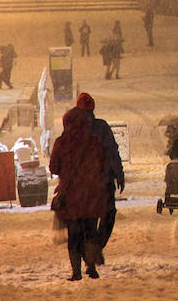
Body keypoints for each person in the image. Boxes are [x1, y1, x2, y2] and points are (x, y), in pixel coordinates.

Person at [49, 106, 107, 280]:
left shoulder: (61, 143)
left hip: (71, 196)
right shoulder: (95, 141)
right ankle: (91, 267)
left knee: (74, 235)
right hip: (92, 195)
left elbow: (53, 167)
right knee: (90, 231)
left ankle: (76, 272)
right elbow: (104, 164)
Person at [75, 92, 124, 250]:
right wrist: (119, 174)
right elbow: (112, 152)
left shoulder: (72, 129)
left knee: (88, 218)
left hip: (82, 184)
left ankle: (89, 250)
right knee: (108, 215)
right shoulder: (102, 127)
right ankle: (96, 247)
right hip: (104, 181)